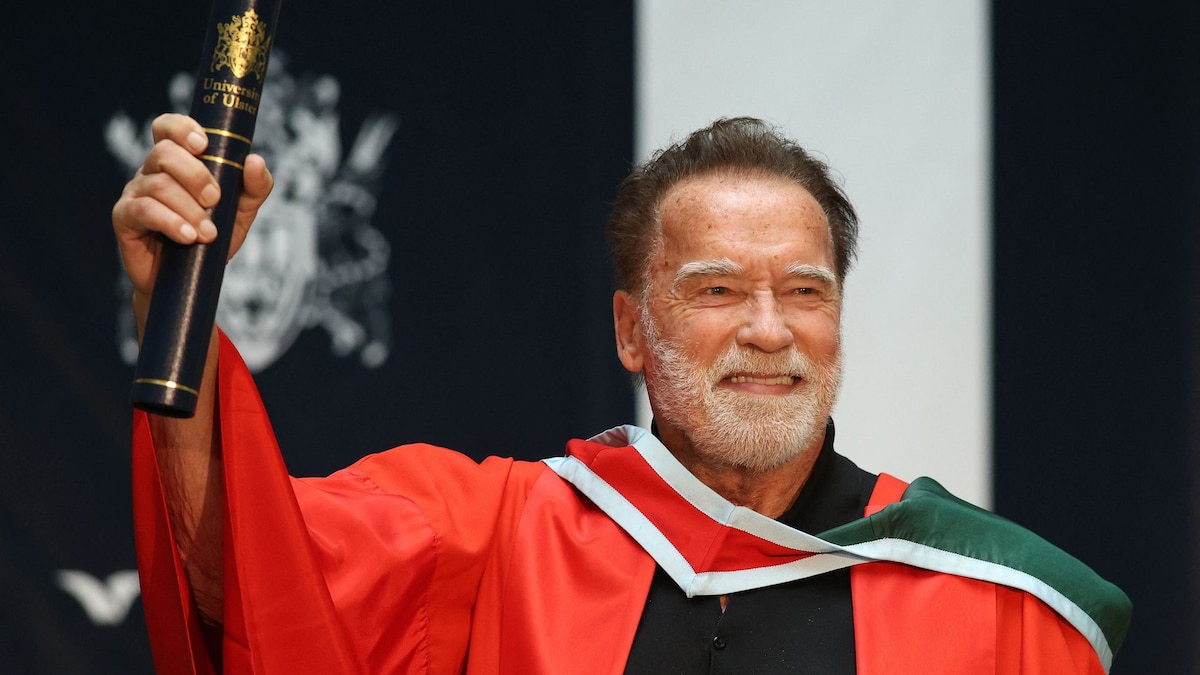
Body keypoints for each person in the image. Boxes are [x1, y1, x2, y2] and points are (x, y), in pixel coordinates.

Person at [113, 114, 1131, 674]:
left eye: (805, 292)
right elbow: (246, 574)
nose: (769, 330)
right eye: (716, 291)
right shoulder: (496, 540)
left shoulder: (996, 608)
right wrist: (179, 310)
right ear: (631, 331)